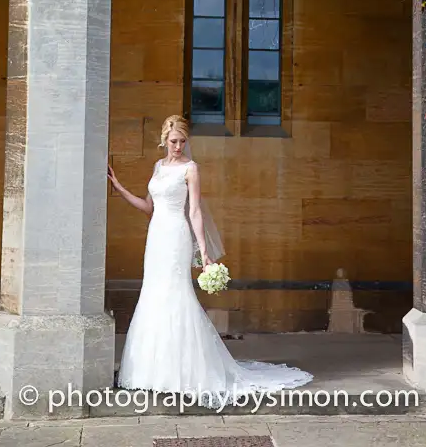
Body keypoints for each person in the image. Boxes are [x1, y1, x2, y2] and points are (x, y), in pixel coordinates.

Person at [107, 114, 313, 406]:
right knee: (152, 295)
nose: (177, 146)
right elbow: (148, 208)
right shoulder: (157, 167)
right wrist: (119, 188)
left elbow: (194, 212)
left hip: (177, 237)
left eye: (182, 141)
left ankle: (186, 372)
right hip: (155, 239)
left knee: (176, 296)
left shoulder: (191, 169)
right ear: (164, 140)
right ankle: (150, 372)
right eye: (173, 141)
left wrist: (203, 252)